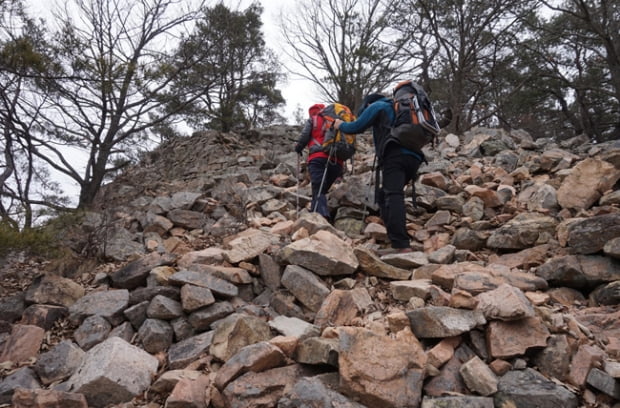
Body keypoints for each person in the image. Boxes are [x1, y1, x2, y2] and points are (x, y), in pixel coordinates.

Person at [334, 89, 425, 254]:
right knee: (384, 195)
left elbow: (356, 127)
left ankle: (401, 244)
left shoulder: (377, 106)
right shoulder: (405, 110)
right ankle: (391, 234)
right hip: (415, 157)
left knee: (394, 194)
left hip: (395, 155)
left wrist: (340, 125)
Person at [294, 103, 344, 221]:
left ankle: (320, 216)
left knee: (318, 187)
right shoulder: (335, 120)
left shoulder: (314, 119)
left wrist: (298, 147)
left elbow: (305, 136)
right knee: (324, 188)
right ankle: (322, 211)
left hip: (318, 158)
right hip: (337, 160)